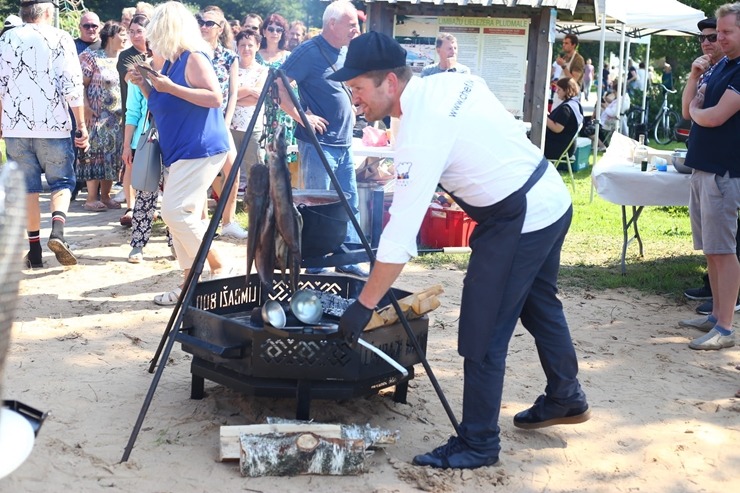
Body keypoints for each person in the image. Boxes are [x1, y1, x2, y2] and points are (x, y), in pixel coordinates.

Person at [332, 31, 589, 469]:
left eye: (357, 88)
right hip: (549, 193)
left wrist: (365, 304)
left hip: (519, 215)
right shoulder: (449, 81)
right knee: (538, 303)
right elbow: (477, 101)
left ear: (390, 83)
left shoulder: (421, 126)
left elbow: (401, 234)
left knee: (483, 328)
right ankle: (566, 396)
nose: (353, 99)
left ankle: (479, 442)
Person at [129, 1, 232, 305]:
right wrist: (146, 86)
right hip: (181, 150)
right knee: (179, 216)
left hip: (200, 147)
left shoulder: (193, 58)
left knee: (174, 212)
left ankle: (218, 265)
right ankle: (189, 285)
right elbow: (163, 105)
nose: (150, 38)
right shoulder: (171, 62)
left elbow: (215, 97)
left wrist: (170, 87)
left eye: (154, 32)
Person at [276, 0, 368, 277]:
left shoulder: (343, 51)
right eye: (351, 23)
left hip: (343, 143)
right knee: (317, 207)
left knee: (349, 202)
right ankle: (316, 264)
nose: (356, 29)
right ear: (333, 23)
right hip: (318, 146)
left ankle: (347, 257)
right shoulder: (309, 51)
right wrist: (302, 116)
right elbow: (278, 85)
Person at [0, 0, 88, 268]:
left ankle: (34, 251)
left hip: (15, 127)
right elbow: (72, 84)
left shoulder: (5, 40)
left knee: (28, 189)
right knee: (61, 183)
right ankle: (58, 232)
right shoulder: (60, 37)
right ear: (48, 12)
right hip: (53, 126)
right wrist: (81, 124)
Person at [677, 3, 740, 351]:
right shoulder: (722, 67)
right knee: (711, 251)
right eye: (718, 33)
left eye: (727, 33)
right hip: (705, 167)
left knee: (723, 250)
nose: (720, 39)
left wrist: (700, 113)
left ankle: (726, 328)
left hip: (724, 171)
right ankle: (717, 314)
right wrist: (692, 77)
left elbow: (712, 116)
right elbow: (689, 110)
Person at [198, 5, 247, 240]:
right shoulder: (192, 53)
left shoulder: (229, 57)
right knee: (200, 175)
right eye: (201, 22)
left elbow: (233, 94)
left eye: (210, 23)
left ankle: (228, 221)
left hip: (219, 121)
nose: (204, 26)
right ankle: (202, 222)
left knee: (232, 169)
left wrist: (226, 123)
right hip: (196, 121)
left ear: (220, 29)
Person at [78, 21, 127, 212]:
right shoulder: (91, 57)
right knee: (94, 157)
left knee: (112, 158)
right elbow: (80, 84)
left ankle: (105, 197)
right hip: (96, 117)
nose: (126, 38)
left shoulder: (124, 59)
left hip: (117, 120)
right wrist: (86, 106)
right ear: (111, 36)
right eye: (122, 34)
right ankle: (91, 198)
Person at [117, 13, 151, 225]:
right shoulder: (128, 59)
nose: (135, 35)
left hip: (162, 129)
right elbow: (129, 80)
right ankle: (132, 207)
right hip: (137, 121)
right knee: (131, 164)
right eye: (132, 31)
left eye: (140, 31)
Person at [256, 13, 297, 169]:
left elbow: (296, 84)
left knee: (282, 156)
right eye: (271, 29)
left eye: (279, 30)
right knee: (260, 152)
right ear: (264, 31)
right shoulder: (255, 55)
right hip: (260, 109)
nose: (274, 33)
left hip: (282, 110)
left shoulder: (289, 56)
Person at [231, 29, 268, 192]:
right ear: (237, 46)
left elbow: (257, 98)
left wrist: (237, 94)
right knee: (232, 163)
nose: (246, 48)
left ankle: (256, 196)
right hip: (231, 123)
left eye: (250, 45)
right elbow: (227, 94)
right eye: (242, 45)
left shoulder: (262, 70)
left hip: (252, 125)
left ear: (258, 46)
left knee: (253, 164)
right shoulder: (231, 67)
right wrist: (247, 90)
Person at [544, 77, 583, 160]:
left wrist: (544, 116)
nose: (556, 92)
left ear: (566, 90)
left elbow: (557, 128)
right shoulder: (575, 104)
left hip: (557, 148)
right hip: (567, 147)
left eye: (559, 89)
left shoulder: (566, 108)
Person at [552, 34, 584, 109]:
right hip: (560, 92)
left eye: (566, 43)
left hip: (569, 95)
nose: (563, 45)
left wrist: (563, 66)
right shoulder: (565, 57)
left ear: (573, 45)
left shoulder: (578, 59)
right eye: (563, 43)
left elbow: (573, 81)